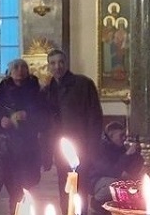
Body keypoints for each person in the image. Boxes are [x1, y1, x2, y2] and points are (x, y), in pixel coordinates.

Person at [42, 48, 105, 207]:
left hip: (81, 146)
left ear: (66, 63)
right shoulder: (47, 90)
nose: (57, 66)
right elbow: (45, 123)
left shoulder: (83, 84)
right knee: (65, 188)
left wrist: (92, 149)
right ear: (48, 66)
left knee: (80, 189)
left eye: (61, 62)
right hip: (59, 147)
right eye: (53, 63)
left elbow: (94, 118)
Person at [0, 58, 44, 215]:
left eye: (23, 67)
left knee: (25, 190)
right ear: (10, 71)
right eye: (16, 67)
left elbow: (44, 118)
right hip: (7, 150)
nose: (19, 70)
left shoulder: (36, 91)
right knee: (15, 193)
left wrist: (28, 115)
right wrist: (1, 121)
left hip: (28, 150)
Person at [90, 120, 144, 207]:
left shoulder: (121, 147)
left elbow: (134, 168)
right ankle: (96, 202)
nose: (124, 139)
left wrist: (136, 154)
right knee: (114, 184)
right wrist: (127, 155)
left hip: (116, 177)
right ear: (111, 135)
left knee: (139, 181)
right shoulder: (100, 149)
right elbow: (113, 171)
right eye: (121, 136)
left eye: (125, 136)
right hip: (98, 180)